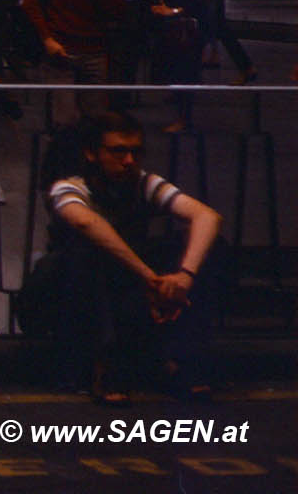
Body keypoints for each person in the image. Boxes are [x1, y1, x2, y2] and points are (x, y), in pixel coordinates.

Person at [22, 111, 225, 401]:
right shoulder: (69, 187)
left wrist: (184, 277)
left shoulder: (143, 183)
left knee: (208, 246)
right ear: (92, 154)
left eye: (135, 152)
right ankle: (104, 363)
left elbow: (207, 217)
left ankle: (180, 360)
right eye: (118, 151)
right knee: (87, 251)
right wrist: (151, 278)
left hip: (127, 286)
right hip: (68, 295)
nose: (129, 160)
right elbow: (87, 223)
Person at [150, 0, 210, 131]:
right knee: (175, 71)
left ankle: (184, 118)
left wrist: (173, 11)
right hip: (172, 31)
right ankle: (180, 114)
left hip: (189, 30)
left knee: (186, 73)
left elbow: (198, 4)